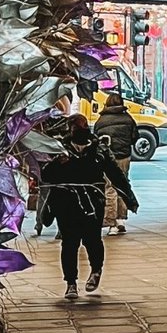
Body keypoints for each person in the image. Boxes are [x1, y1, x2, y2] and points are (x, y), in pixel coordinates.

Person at [35, 113, 138, 301]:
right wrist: (57, 164)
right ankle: (71, 283)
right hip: (66, 202)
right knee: (69, 243)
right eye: (73, 127)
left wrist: (129, 198)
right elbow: (46, 175)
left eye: (79, 127)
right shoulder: (60, 150)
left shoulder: (99, 149)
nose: (76, 130)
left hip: (92, 202)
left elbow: (115, 174)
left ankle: (96, 270)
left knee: (92, 240)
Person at [94, 85, 139, 234]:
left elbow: (96, 139)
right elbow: (135, 137)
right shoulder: (128, 119)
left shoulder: (101, 121)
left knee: (109, 187)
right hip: (124, 156)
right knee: (123, 184)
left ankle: (111, 221)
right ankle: (121, 219)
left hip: (107, 158)